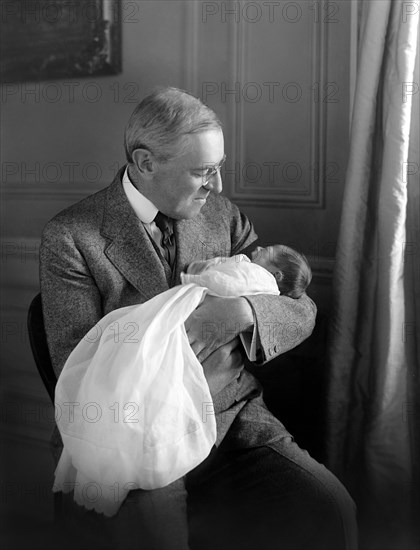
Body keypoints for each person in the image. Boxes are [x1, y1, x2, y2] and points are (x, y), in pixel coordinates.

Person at [40, 87, 357, 550]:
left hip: (232, 423)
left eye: (219, 167)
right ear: (146, 163)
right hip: (134, 437)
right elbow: (79, 366)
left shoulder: (222, 216)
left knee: (332, 509)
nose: (219, 186)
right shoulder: (72, 237)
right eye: (203, 172)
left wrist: (240, 311)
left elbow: (299, 306)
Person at [182, 244, 312, 299]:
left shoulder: (257, 278)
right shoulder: (265, 290)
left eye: (265, 250)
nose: (259, 248)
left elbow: (228, 286)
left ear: (276, 275)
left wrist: (192, 280)